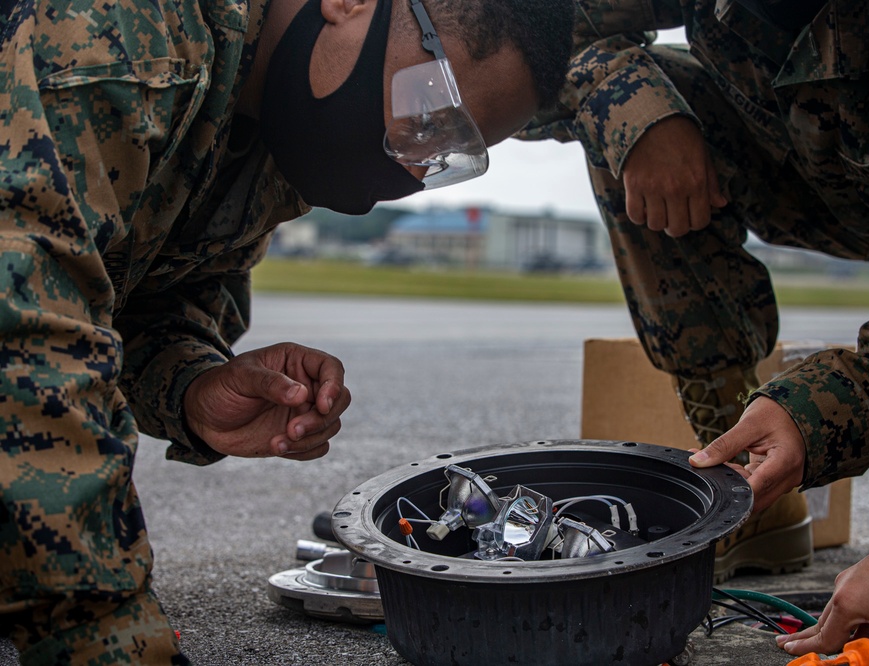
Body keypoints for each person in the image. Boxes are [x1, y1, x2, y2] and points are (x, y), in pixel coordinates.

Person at [0, 0, 573, 661]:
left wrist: (191, 385)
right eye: (429, 111)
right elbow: (28, 325)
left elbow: (143, 306)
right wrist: (104, 636)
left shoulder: (263, 144)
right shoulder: (129, 28)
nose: (419, 166)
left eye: (450, 151)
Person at [522, 0, 869, 659]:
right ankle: (745, 490)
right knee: (626, 99)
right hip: (820, 177)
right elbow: (523, 38)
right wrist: (624, 99)